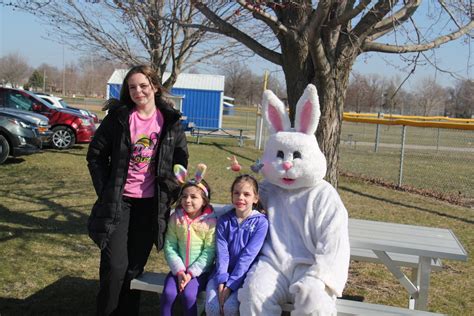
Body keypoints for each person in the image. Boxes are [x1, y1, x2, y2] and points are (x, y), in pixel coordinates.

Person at [86, 65, 188, 316]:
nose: (138, 91)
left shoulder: (170, 121)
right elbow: (95, 156)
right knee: (115, 266)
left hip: (150, 205)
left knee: (133, 269)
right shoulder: (119, 118)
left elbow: (180, 158)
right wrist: (106, 190)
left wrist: (174, 185)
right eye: (132, 87)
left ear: (154, 86)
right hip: (120, 202)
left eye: (143, 85)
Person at [205, 175, 269, 316]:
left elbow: (247, 257)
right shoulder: (224, 221)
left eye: (246, 194)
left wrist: (230, 286)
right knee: (212, 308)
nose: (241, 197)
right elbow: (222, 254)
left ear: (255, 198)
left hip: (244, 277)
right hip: (220, 274)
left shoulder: (261, 223)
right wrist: (222, 282)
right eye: (236, 193)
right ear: (232, 196)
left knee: (230, 308)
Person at [160, 175, 216, 316]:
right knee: (168, 293)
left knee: (189, 296)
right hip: (177, 271)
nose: (188, 200)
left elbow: (209, 251)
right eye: (184, 196)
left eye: (193, 197)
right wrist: (179, 271)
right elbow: (170, 246)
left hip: (199, 273)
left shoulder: (210, 222)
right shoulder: (175, 218)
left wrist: (191, 273)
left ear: (204, 201)